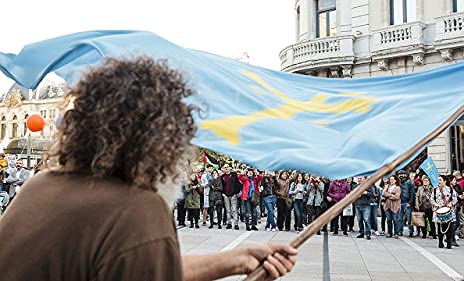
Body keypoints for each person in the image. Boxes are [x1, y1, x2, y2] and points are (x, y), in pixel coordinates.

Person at [0, 58, 296, 281]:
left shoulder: (39, 187)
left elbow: (136, 266)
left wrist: (237, 260)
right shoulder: (137, 209)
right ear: (159, 139)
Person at [431, 175, 458, 249]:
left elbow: (455, 199)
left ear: (445, 181)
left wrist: (451, 204)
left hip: (449, 211)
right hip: (439, 211)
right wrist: (436, 205)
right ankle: (440, 242)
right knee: (440, 227)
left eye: (440, 180)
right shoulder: (435, 190)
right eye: (438, 180)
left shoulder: (451, 190)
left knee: (449, 228)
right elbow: (432, 200)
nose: (438, 181)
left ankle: (449, 242)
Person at [220, 163, 242, 230]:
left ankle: (236, 224)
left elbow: (238, 184)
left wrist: (236, 193)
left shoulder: (234, 175)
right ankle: (229, 223)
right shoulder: (222, 176)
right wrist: (223, 193)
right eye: (225, 167)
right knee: (228, 210)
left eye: (227, 167)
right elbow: (221, 186)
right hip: (226, 195)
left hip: (233, 195)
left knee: (234, 210)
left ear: (229, 168)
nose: (226, 168)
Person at [352, 176, 375, 240]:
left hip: (366, 205)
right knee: (359, 220)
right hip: (357, 205)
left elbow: (372, 194)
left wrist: (366, 193)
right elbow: (352, 195)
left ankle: (368, 233)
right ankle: (361, 233)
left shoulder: (368, 186)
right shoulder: (355, 186)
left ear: (364, 179)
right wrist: (356, 196)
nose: (359, 180)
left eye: (360, 178)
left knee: (366, 220)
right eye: (358, 178)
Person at [397, 170, 415, 237]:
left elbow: (412, 193)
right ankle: (400, 231)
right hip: (400, 202)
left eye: (402, 174)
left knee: (409, 218)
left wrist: (410, 202)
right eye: (399, 174)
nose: (401, 175)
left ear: (405, 174)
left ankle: (411, 231)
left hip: (407, 203)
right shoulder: (398, 182)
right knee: (399, 218)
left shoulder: (409, 182)